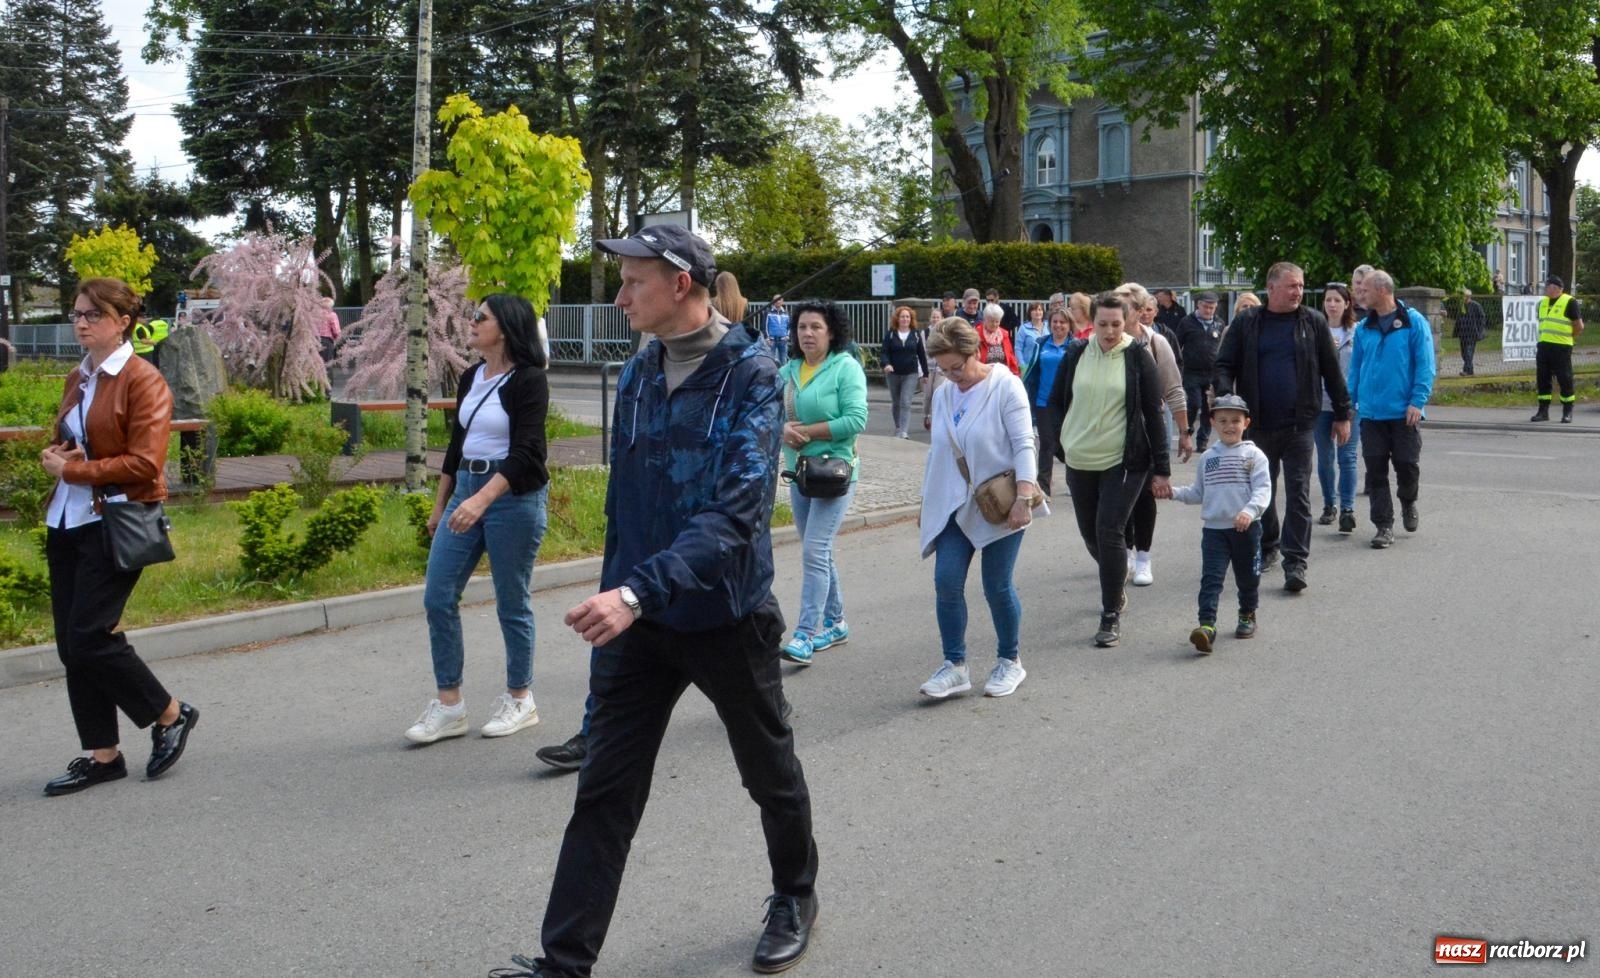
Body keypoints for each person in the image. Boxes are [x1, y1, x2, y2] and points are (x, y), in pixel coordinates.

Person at [498, 225, 818, 978]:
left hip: (723, 616)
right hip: (636, 621)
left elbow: (740, 512)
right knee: (604, 790)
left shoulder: (754, 374)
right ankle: (563, 963)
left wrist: (638, 590)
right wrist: (619, 589)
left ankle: (794, 894)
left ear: (682, 284)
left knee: (767, 772)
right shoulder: (640, 369)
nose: (618, 296)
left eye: (633, 282)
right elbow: (630, 496)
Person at [39, 277, 197, 796]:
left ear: (122, 321)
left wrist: (74, 473)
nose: (81, 323)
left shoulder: (142, 380)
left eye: (92, 315)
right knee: (72, 645)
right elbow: (76, 437)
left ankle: (169, 713)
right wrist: (61, 454)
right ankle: (102, 755)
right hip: (67, 521)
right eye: (76, 314)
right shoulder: (79, 377)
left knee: (90, 635)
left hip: (116, 520)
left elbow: (145, 462)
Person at [407, 294, 552, 745]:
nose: (469, 323)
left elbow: (528, 452)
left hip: (513, 499)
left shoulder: (530, 380)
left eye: (479, 317)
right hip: (466, 491)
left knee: (511, 601)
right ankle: (450, 706)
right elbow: (457, 446)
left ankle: (520, 699)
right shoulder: (472, 376)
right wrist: (442, 505)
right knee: (438, 596)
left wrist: (483, 501)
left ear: (505, 328)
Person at [917, 316, 1043, 700]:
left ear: (974, 352)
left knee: (996, 586)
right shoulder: (943, 392)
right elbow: (938, 453)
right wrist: (927, 502)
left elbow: (1024, 443)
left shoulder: (1005, 385)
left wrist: (1024, 498)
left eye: (958, 366)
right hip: (955, 505)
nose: (954, 376)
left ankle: (1010, 660)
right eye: (944, 369)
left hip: (1001, 503)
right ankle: (955, 667)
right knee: (946, 582)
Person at [1213, 261, 1350, 593]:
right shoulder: (1247, 322)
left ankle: (1296, 561)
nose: (1298, 292)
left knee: (1299, 492)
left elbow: (1332, 372)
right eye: (1292, 286)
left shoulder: (1312, 322)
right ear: (1271, 288)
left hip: (1300, 423)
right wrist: (1226, 399)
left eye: (1301, 286)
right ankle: (1270, 544)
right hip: (1257, 425)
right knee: (1263, 490)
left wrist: (1343, 414)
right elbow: (1224, 365)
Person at [1047, 291, 1171, 648]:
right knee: (1091, 535)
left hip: (1124, 461)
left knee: (1110, 531)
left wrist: (1161, 468)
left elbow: (1153, 414)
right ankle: (1116, 579)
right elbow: (1055, 402)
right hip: (1080, 459)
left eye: (1117, 324)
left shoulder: (1137, 357)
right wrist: (1058, 444)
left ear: (1127, 321)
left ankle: (1110, 613)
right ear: (1091, 323)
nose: (1110, 331)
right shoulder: (1076, 353)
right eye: (1103, 324)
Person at [778, 301, 869, 665]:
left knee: (814, 549)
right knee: (819, 550)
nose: (808, 334)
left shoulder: (845, 368)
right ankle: (836, 622)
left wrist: (808, 432)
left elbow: (856, 419)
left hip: (834, 472)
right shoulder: (787, 370)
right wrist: (780, 429)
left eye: (816, 327)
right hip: (799, 473)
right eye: (802, 327)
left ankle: (806, 632)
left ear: (831, 332)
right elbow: (765, 412)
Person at [1156, 394, 1272, 653]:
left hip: (1246, 529)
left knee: (1247, 578)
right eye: (1223, 421)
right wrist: (1172, 492)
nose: (1229, 426)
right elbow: (1198, 493)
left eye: (1235, 420)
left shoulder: (1254, 456)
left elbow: (1263, 491)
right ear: (1213, 423)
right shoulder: (1209, 458)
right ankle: (1206, 626)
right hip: (1214, 532)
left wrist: (1249, 512)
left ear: (1246, 423)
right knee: (1211, 579)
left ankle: (1247, 614)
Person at [1345, 270, 1436, 549]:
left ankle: (1409, 502)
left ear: (1382, 291)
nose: (1360, 295)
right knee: (1375, 472)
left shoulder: (1414, 323)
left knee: (1407, 466)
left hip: (1403, 413)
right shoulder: (1363, 328)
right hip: (1371, 413)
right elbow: (1355, 369)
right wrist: (1349, 403)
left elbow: (1425, 365)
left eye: (1366, 290)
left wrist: (1417, 402)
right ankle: (1383, 526)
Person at [1121, 286, 1192, 588]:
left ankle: (1143, 557)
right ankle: (1122, 552)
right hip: (1113, 429)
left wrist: (1185, 432)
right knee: (1117, 494)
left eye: (1125, 307)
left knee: (1145, 494)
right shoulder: (1104, 343)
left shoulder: (1155, 342)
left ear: (1139, 311)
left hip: (1149, 427)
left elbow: (1174, 389)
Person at [1314, 283, 1361, 534]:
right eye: (1328, 300)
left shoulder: (1357, 332)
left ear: (1346, 304)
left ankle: (1347, 509)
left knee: (1348, 456)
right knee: (1325, 457)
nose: (1332, 305)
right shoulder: (1316, 330)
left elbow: (1362, 367)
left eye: (1337, 300)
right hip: (1320, 403)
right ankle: (1330, 504)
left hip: (1350, 404)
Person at [1021, 307, 1076, 496]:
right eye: (1055, 322)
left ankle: (1075, 480)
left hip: (1068, 403)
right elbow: (1032, 372)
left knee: (1065, 444)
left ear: (1069, 325)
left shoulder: (1076, 346)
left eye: (1063, 322)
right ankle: (1043, 488)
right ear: (1049, 324)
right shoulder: (1041, 343)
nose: (1058, 325)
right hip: (1043, 401)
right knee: (1046, 443)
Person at [1530, 273, 1584, 422]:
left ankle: (1567, 411)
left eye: (1548, 286)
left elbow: (1579, 326)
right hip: (1544, 346)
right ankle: (1543, 411)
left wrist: (1569, 338)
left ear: (1556, 288)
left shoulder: (1569, 302)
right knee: (1543, 378)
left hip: (1561, 347)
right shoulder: (1542, 303)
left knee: (1564, 378)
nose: (1546, 289)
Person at [1175, 291, 1224, 451]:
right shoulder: (1187, 322)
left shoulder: (1219, 323)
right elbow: (1177, 345)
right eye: (1205, 306)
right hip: (1191, 371)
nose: (1208, 310)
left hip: (1211, 373)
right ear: (1198, 305)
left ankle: (1203, 441)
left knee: (1208, 408)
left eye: (1212, 307)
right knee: (1194, 403)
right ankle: (1187, 433)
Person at [881, 304, 928, 439]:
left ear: (911, 319)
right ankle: (898, 427)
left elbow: (921, 354)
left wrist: (925, 374)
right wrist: (886, 364)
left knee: (906, 401)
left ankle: (904, 431)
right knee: (896, 402)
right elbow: (884, 352)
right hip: (893, 373)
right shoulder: (890, 334)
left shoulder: (916, 335)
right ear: (897, 318)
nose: (905, 319)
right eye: (902, 317)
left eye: (907, 317)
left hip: (910, 373)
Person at [976, 302, 1019, 374]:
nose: (995, 324)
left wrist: (1015, 374)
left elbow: (1010, 356)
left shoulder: (1004, 334)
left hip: (1002, 374)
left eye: (997, 321)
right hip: (983, 375)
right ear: (985, 320)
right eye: (992, 321)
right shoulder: (976, 335)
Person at [1453, 288, 1487, 376]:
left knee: (1468, 352)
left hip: (1472, 333)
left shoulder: (1476, 305)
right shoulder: (1462, 306)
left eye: (1463, 296)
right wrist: (1456, 331)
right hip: (1463, 333)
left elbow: (1482, 317)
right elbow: (1458, 319)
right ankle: (1470, 370)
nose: (1461, 298)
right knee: (1463, 353)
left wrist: (1479, 330)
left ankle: (1466, 370)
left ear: (1468, 297)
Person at [1015, 302, 1047, 377]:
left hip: (1045, 366)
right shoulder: (1023, 328)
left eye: (1040, 309)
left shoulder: (1049, 326)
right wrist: (1022, 366)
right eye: (1035, 310)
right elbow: (1018, 349)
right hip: (1029, 367)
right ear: (1030, 313)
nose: (1038, 312)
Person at [765, 294, 791, 364]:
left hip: (783, 340)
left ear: (782, 301)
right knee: (770, 361)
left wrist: (787, 336)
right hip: (771, 340)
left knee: (784, 361)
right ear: (773, 301)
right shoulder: (768, 312)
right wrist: (767, 338)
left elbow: (789, 326)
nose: (778, 301)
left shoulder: (786, 312)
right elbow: (764, 326)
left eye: (779, 300)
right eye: (776, 300)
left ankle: (784, 375)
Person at [317, 296, 342, 363]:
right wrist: (337, 339)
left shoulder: (315, 315)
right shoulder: (332, 315)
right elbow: (336, 331)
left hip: (315, 341)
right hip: (327, 341)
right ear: (330, 306)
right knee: (327, 364)